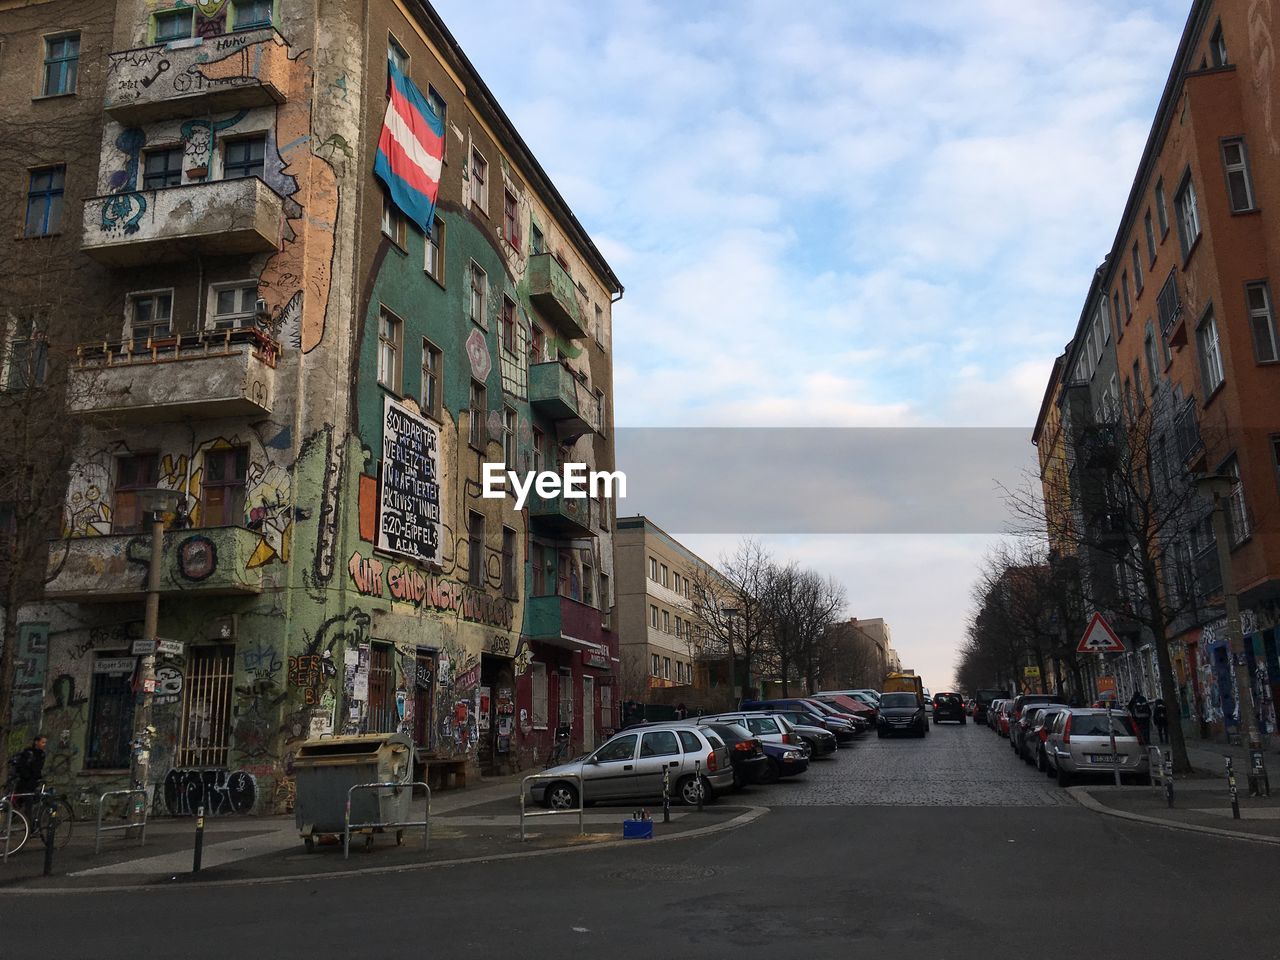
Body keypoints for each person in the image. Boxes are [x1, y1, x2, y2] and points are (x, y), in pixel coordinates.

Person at [8, 735, 47, 813]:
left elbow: (38, 768)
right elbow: (22, 767)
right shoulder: (28, 753)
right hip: (25, 782)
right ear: (36, 742)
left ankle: (25, 819)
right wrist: (27, 776)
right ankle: (27, 822)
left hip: (33, 782)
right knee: (25, 803)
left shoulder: (42, 754)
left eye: (45, 743)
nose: (44, 744)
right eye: (42, 742)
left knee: (28, 801)